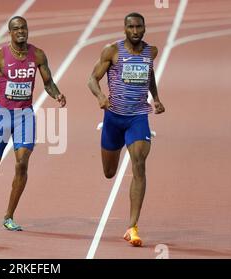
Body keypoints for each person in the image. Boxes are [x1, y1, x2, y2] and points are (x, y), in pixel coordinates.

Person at [0, 16, 66, 231]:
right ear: (10, 33)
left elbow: (48, 83)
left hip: (25, 116)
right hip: (3, 114)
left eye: (24, 28)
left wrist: (56, 94)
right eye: (16, 29)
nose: (21, 31)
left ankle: (9, 215)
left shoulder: (37, 55)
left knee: (22, 163)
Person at [87, 12, 165, 246]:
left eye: (138, 26)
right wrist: (100, 96)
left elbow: (149, 73)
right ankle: (112, 146)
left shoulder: (151, 52)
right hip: (113, 118)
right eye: (130, 27)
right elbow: (92, 78)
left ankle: (132, 226)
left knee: (139, 164)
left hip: (138, 118)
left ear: (144, 28)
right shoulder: (111, 51)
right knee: (109, 173)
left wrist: (156, 98)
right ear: (124, 29)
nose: (134, 30)